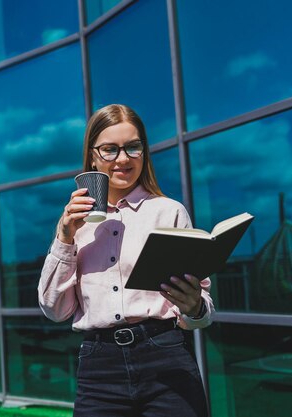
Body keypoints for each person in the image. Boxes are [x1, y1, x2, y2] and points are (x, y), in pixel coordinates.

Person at [38, 104, 214, 417]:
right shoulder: (73, 223)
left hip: (166, 356)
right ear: (93, 156)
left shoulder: (169, 212)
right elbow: (55, 309)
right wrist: (65, 236)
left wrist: (194, 307)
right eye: (110, 149)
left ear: (144, 152)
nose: (122, 159)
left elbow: (201, 310)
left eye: (133, 147)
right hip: (98, 366)